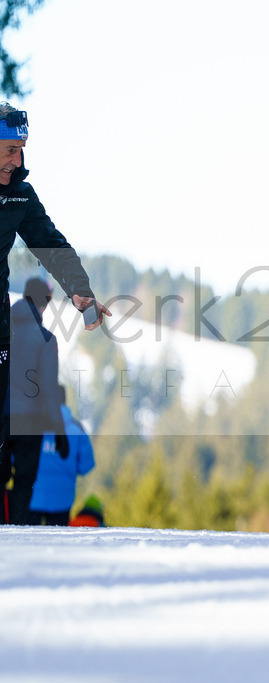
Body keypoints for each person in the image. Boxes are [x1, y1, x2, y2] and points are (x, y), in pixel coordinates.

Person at [0, 102, 109, 519]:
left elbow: (51, 244)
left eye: (21, 149)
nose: (18, 159)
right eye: (10, 149)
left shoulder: (19, 195)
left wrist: (80, 293)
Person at [7, 277, 67, 524]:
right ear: (45, 303)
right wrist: (60, 432)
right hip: (29, 422)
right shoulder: (46, 340)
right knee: (23, 481)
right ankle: (15, 534)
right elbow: (49, 392)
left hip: (2, 417)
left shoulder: (4, 331)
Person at [23, 385, 95, 525]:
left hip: (32, 498)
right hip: (63, 500)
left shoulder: (31, 426)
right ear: (65, 400)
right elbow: (86, 466)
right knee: (58, 543)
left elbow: (17, 458)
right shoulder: (77, 429)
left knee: (29, 542)